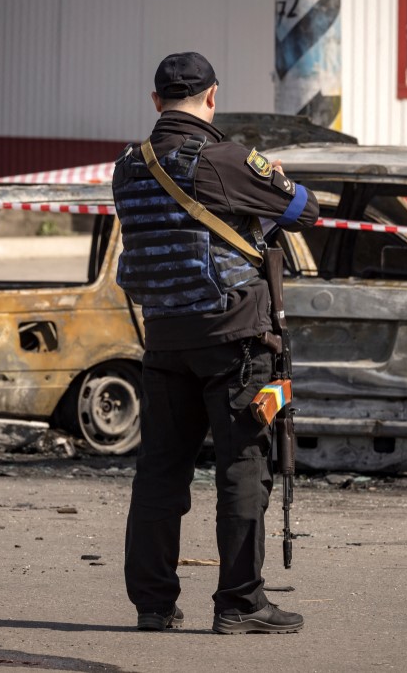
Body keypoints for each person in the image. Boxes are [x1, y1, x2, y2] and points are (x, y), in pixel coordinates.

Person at [112, 51, 318, 634]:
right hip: (235, 340)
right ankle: (241, 604)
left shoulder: (128, 166)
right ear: (212, 97)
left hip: (165, 339)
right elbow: (306, 210)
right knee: (242, 470)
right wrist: (270, 180)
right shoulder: (227, 159)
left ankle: (152, 605)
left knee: (159, 473)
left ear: (155, 101)